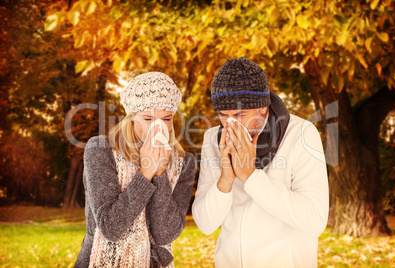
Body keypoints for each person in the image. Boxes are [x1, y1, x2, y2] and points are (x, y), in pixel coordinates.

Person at [192, 57, 329, 267]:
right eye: (222, 115)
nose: (230, 124)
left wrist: (251, 177)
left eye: (239, 114)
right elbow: (205, 224)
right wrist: (225, 182)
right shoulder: (214, 139)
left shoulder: (301, 134)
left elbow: (315, 220)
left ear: (263, 108)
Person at [75, 72, 196, 268]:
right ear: (131, 118)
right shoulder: (100, 150)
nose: (158, 127)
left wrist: (160, 173)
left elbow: (165, 234)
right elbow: (110, 228)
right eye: (148, 118)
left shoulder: (185, 163)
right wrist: (146, 172)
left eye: (166, 119)